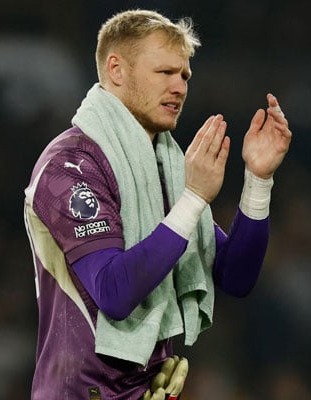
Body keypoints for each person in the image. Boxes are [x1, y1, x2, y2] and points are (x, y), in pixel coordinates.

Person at [23, 9, 291, 400]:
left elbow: (235, 277)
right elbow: (113, 292)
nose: (179, 87)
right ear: (116, 69)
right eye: (164, 73)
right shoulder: (71, 166)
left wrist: (258, 180)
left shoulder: (163, 165)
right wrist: (194, 198)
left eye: (184, 76)